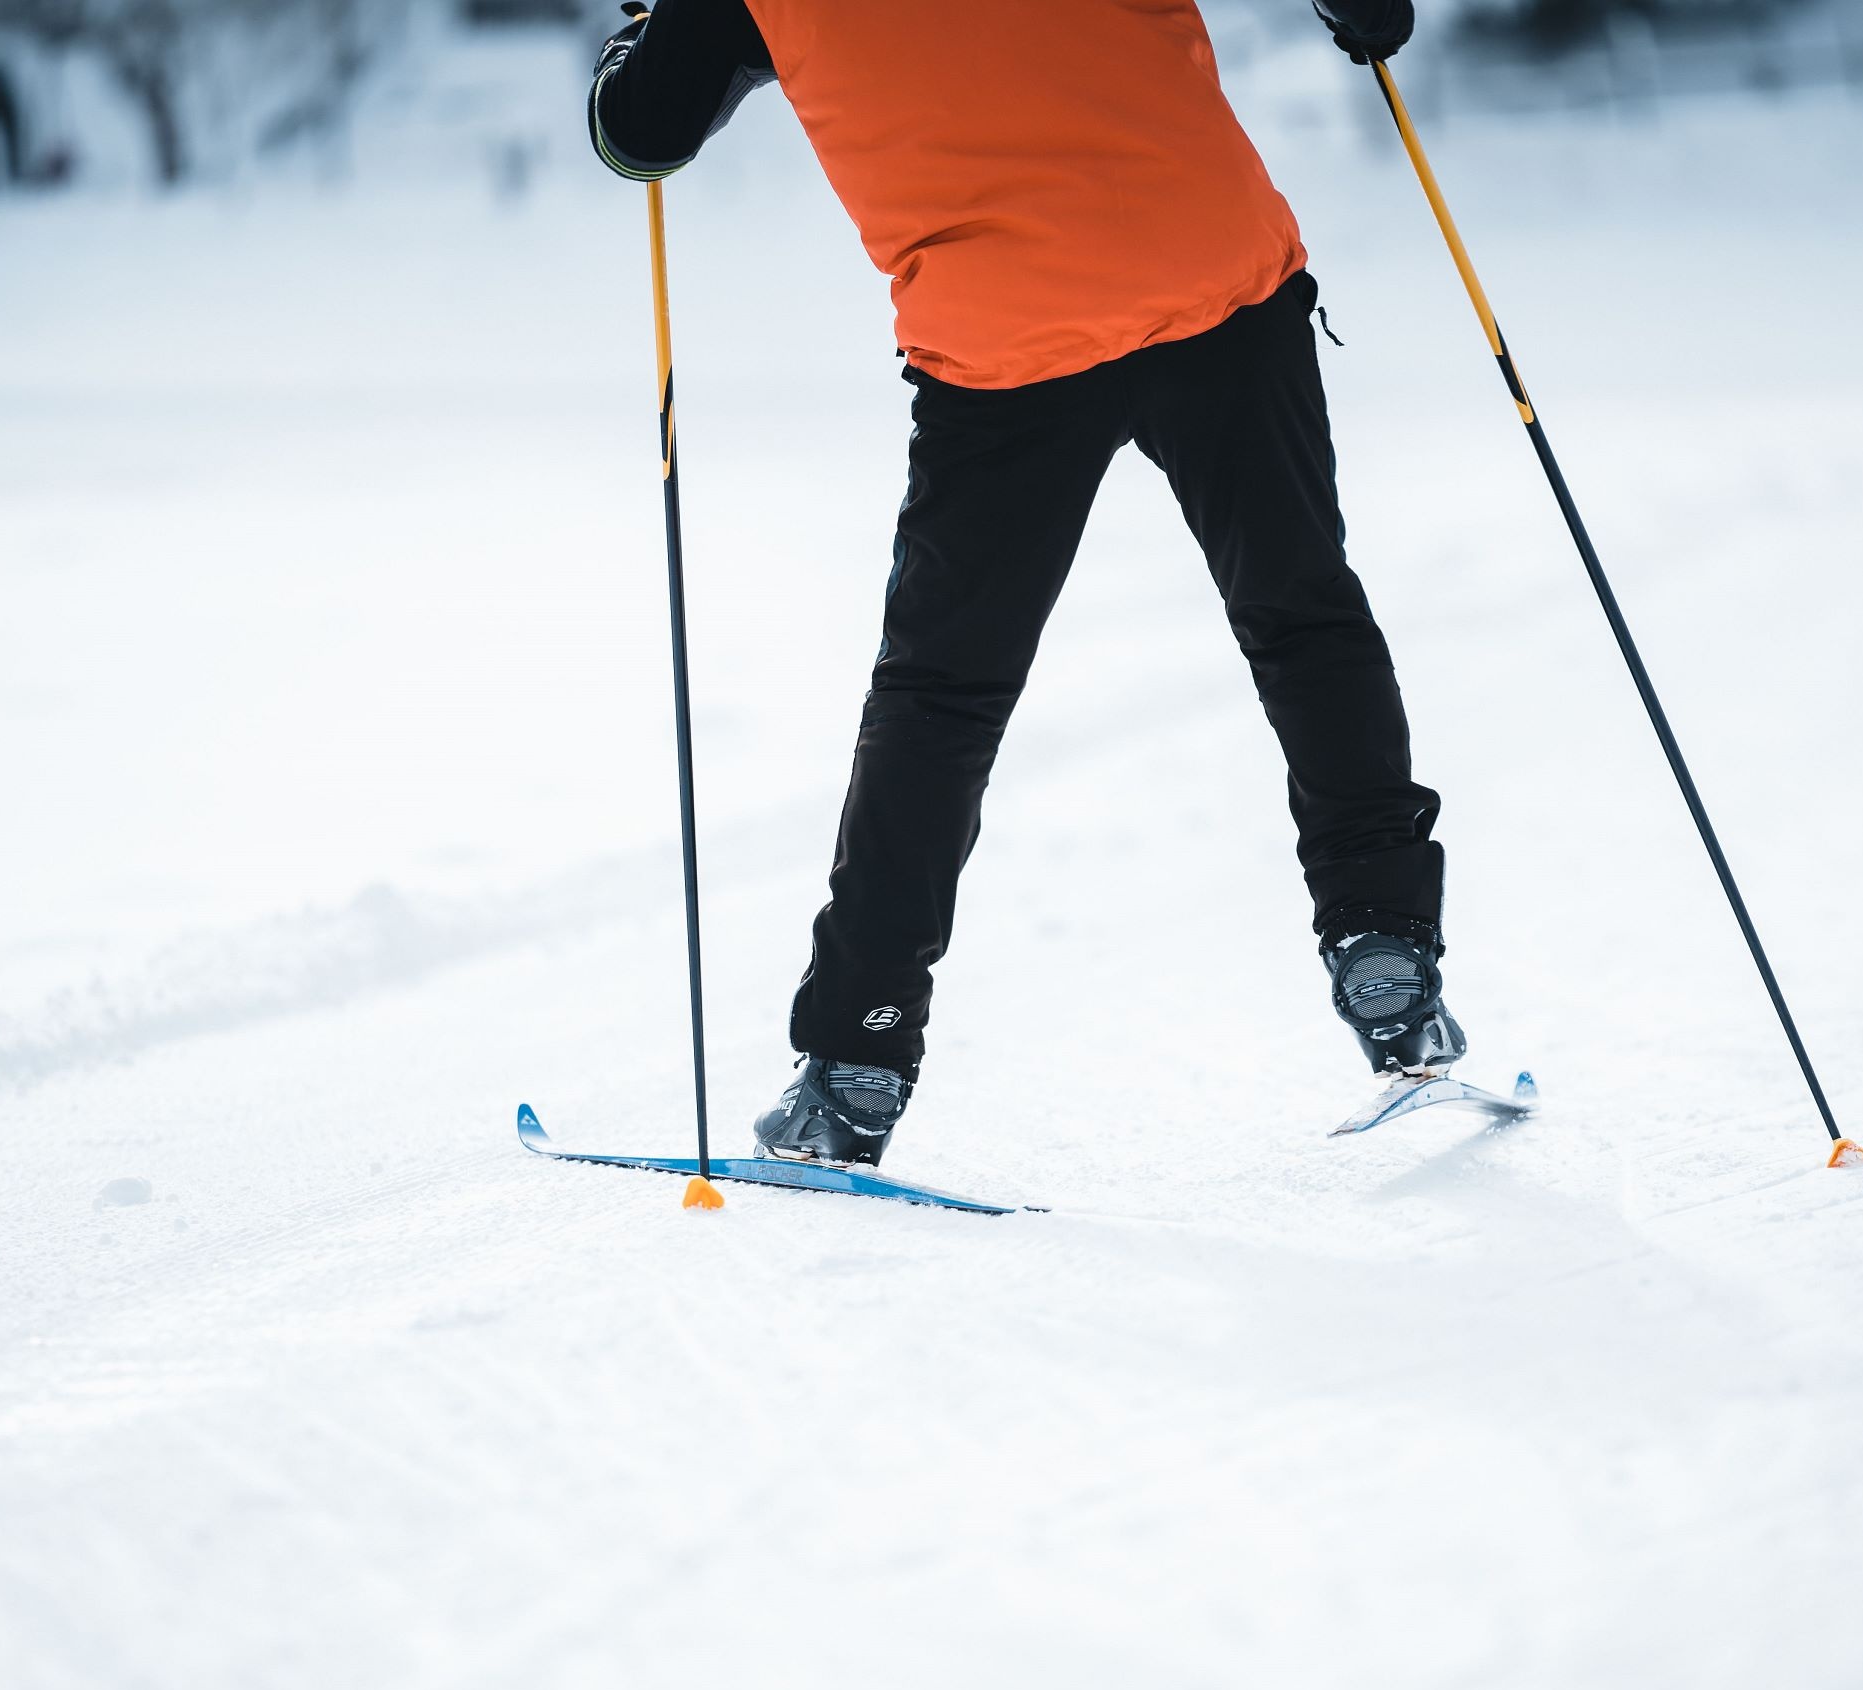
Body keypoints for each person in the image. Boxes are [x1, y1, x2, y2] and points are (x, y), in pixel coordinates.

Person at [592, 0, 1462, 1169]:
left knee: (941, 698)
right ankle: (1386, 957)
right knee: (1302, 613)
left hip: (1003, 346)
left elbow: (640, 133)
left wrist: (641, 33)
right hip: (1210, 280)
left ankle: (855, 1057)